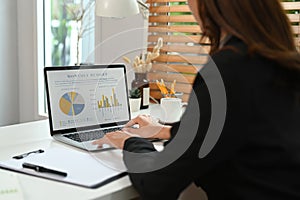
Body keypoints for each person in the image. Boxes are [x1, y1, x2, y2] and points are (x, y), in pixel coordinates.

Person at [93, 0, 300, 199]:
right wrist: (165, 131)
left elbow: (157, 182)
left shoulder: (230, 72)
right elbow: (243, 132)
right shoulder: (281, 63)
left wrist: (130, 142)